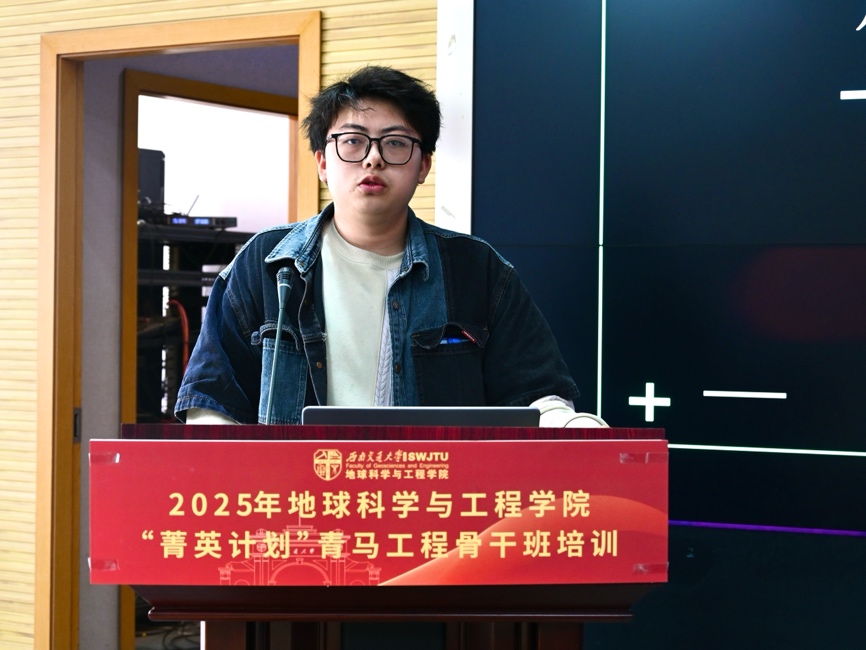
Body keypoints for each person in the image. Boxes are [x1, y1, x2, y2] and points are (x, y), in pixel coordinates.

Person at [175, 65, 606, 428]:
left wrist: (572, 426)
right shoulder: (267, 265)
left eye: (396, 143)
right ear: (322, 162)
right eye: (353, 141)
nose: (373, 158)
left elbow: (538, 396)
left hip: (434, 496)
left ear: (423, 166)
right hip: (298, 496)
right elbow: (212, 405)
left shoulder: (476, 270)